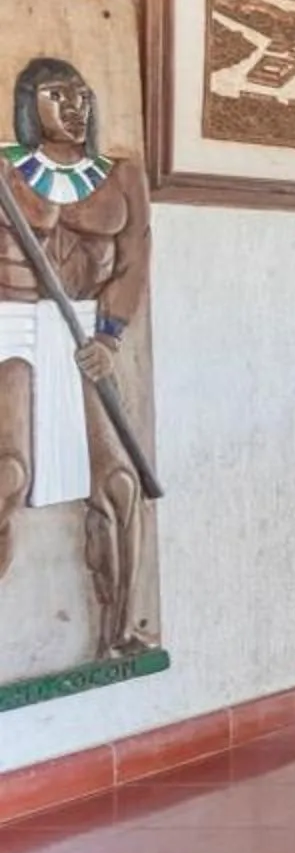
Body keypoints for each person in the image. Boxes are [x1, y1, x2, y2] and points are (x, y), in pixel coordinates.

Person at [0, 56, 155, 656]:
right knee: (8, 472)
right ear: (28, 103)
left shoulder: (121, 176)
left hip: (89, 331)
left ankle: (119, 631)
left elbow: (134, 259)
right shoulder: (5, 169)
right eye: (57, 95)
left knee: (119, 484)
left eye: (82, 94)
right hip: (11, 326)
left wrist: (110, 335)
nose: (75, 106)